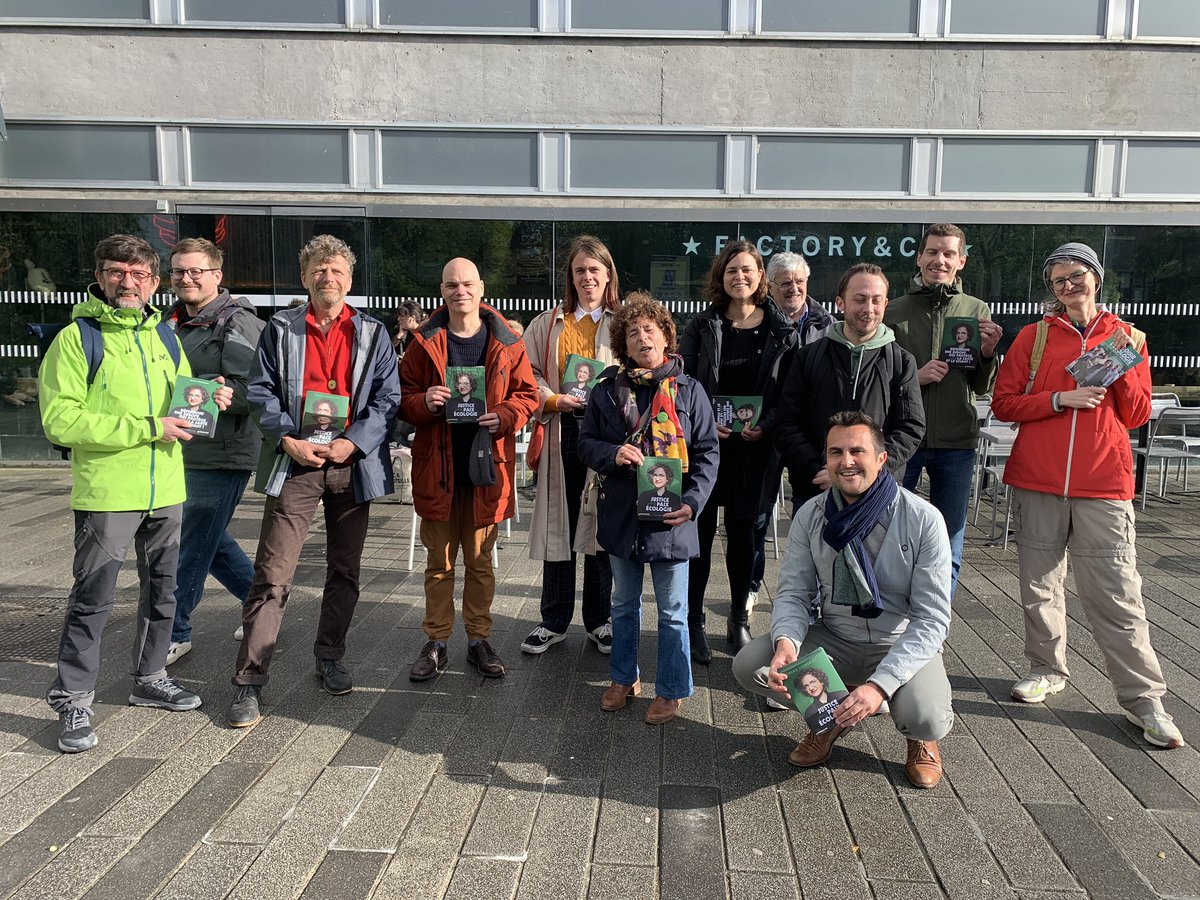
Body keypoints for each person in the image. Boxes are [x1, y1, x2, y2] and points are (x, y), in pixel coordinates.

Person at [39, 234, 233, 753]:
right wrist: (150, 425)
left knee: (164, 589)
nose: (128, 282)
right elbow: (61, 421)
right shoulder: (77, 340)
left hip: (166, 487)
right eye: (117, 272)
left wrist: (210, 396)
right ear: (100, 276)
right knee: (94, 597)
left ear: (152, 281)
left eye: (139, 274)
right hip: (107, 492)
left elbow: (184, 400)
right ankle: (74, 698)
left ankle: (150, 679)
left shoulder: (164, 337)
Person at [991, 242, 1185, 750]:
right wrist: (1059, 399)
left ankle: (1145, 700)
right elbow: (1005, 403)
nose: (1068, 287)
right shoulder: (1034, 338)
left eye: (1076, 276)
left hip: (1104, 483)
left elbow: (1139, 414)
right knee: (1039, 586)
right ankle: (1046, 669)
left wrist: (1119, 369)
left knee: (1117, 593)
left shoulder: (1128, 337)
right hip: (1038, 480)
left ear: (1097, 279)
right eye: (1058, 281)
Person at [223, 235, 400, 729]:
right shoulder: (279, 330)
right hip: (296, 463)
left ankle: (329, 656)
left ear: (350, 278)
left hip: (350, 465)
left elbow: (388, 397)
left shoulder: (372, 332)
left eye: (337, 269)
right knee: (273, 574)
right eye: (319, 270)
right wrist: (286, 439)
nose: (329, 277)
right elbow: (259, 393)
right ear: (304, 278)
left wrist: (355, 442)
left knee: (344, 571)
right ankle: (249, 681)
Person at [732, 411, 954, 788]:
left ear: (881, 459)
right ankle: (831, 719)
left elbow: (932, 619)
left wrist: (880, 686)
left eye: (857, 451)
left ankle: (920, 738)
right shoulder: (810, 515)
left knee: (926, 715)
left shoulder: (923, 519)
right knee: (751, 664)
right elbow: (794, 594)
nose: (846, 461)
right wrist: (787, 642)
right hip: (837, 637)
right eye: (836, 452)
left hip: (897, 642)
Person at [578, 293, 719, 724]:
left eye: (650, 330)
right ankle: (623, 677)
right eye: (633, 332)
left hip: (671, 520)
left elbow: (709, 452)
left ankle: (673, 689)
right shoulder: (605, 391)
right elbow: (585, 444)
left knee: (674, 612)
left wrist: (692, 504)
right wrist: (612, 453)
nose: (642, 338)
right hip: (622, 515)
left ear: (665, 336)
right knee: (623, 604)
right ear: (622, 343)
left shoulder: (690, 391)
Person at [402, 258, 539, 681]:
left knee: (480, 564)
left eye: (467, 283)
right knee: (439, 564)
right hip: (436, 469)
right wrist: (425, 401)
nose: (459, 290)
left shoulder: (508, 341)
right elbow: (401, 397)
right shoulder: (423, 341)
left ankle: (478, 638)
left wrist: (505, 416)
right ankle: (437, 642)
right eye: (451, 284)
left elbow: (528, 396)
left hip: (485, 471)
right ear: (441, 291)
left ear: (481, 288)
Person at [681, 240, 798, 663]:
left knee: (745, 537)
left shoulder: (781, 330)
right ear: (721, 276)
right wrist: (701, 421)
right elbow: (685, 383)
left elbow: (790, 392)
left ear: (760, 276)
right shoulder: (702, 325)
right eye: (732, 270)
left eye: (748, 270)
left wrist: (766, 425)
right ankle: (693, 623)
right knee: (700, 535)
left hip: (756, 449)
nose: (740, 277)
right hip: (707, 448)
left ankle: (737, 619)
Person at [885, 224, 1002, 596]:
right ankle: (891, 612)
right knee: (891, 533)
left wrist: (987, 353)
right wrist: (913, 378)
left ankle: (936, 625)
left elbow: (982, 386)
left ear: (961, 261)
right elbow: (878, 378)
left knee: (949, 540)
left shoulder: (976, 310)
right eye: (933, 252)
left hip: (956, 442)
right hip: (903, 439)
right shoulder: (893, 311)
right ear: (920, 257)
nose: (940, 260)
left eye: (948, 254)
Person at [163, 237, 265, 665]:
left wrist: (223, 393)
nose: (186, 278)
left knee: (190, 542)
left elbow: (254, 390)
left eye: (195, 271)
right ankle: (261, 603)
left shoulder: (238, 323)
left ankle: (176, 630)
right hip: (182, 449)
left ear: (216, 276)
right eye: (179, 272)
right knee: (210, 539)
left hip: (223, 452)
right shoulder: (170, 323)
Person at [521, 235, 619, 656]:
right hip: (562, 431)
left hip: (608, 438)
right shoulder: (548, 322)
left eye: (595, 270)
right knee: (559, 526)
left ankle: (600, 620)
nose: (587, 277)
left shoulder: (623, 322)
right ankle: (554, 620)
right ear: (571, 277)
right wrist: (553, 398)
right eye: (580, 270)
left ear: (608, 275)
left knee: (599, 527)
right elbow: (528, 373)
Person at [774, 263, 925, 515]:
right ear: (840, 303)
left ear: (885, 304)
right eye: (860, 299)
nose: (869, 309)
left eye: (876, 300)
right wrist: (823, 469)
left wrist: (871, 470)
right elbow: (787, 423)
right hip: (816, 489)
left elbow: (911, 427)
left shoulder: (901, 362)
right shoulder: (807, 358)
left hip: (877, 492)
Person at [750, 251, 834, 608]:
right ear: (770, 285)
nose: (794, 288)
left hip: (806, 436)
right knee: (757, 515)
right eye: (785, 283)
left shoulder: (827, 323)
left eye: (799, 281)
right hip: (764, 434)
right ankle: (751, 586)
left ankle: (809, 593)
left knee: (811, 514)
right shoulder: (759, 320)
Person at [794, 668, 849, 734]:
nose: (811, 688)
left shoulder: (841, 695)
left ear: (821, 681)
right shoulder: (809, 713)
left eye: (812, 682)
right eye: (806, 686)